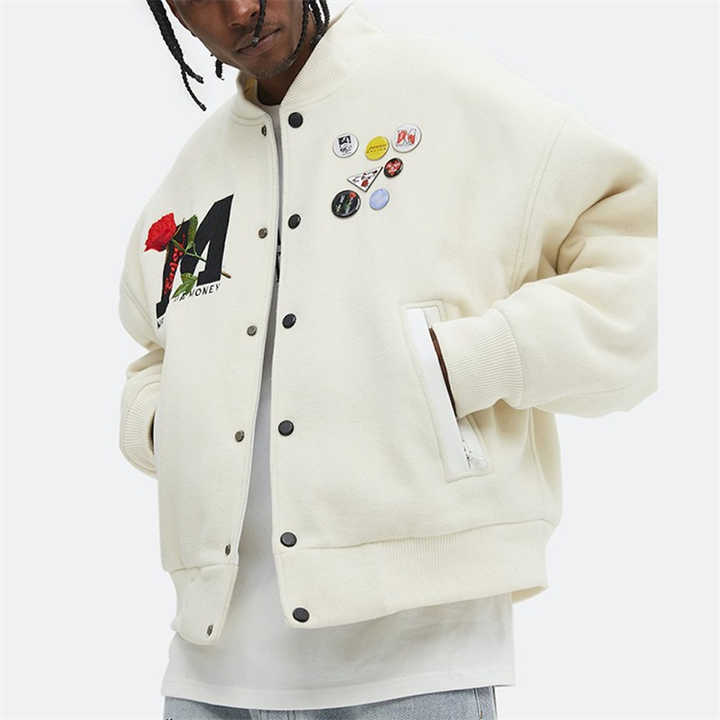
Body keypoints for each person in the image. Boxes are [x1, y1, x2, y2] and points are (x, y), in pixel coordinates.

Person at [118, 1, 658, 718]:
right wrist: (162, 423)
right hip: (208, 679)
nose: (241, 9)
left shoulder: (444, 94)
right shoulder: (195, 175)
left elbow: (639, 264)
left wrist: (465, 365)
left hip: (410, 670)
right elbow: (157, 348)